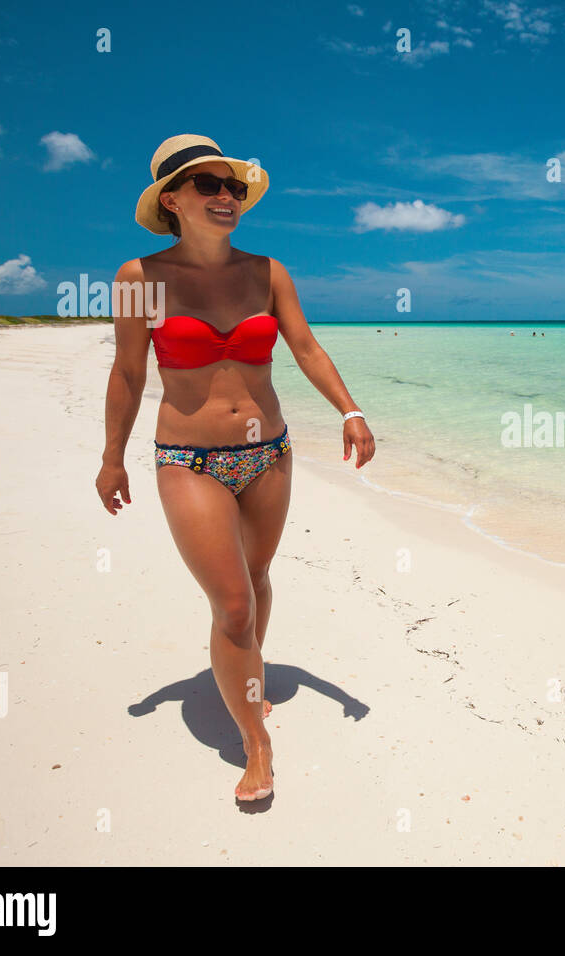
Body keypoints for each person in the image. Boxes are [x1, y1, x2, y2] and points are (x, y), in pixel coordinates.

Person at [96, 134, 376, 803]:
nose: (227, 196)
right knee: (230, 607)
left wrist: (349, 411)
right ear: (172, 199)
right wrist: (111, 457)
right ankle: (256, 740)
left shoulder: (268, 272)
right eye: (208, 185)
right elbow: (130, 371)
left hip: (268, 452)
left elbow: (305, 347)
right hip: (187, 459)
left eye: (232, 186)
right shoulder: (141, 278)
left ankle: (246, 677)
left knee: (255, 580)